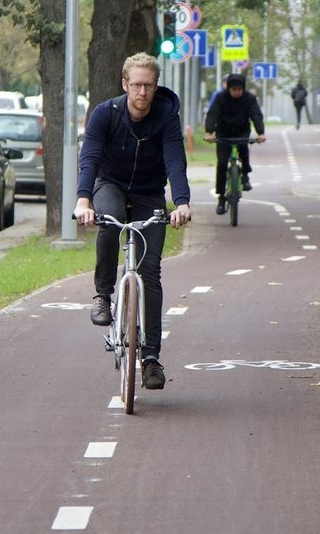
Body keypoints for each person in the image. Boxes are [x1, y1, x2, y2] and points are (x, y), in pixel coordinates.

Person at [73, 53, 193, 391]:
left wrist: (181, 203)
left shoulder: (167, 117)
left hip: (148, 193)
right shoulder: (105, 114)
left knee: (150, 271)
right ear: (125, 84)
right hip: (110, 184)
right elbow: (90, 159)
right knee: (109, 224)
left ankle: (151, 358)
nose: (142, 92)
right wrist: (84, 201)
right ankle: (102, 294)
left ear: (156, 87)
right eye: (136, 85)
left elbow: (174, 161)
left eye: (149, 86)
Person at [204, 73, 266, 214]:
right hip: (223, 133)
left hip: (241, 131)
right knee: (221, 163)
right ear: (229, 88)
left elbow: (256, 115)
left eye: (239, 89)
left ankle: (245, 177)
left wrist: (260, 133)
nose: (237, 92)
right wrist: (209, 132)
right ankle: (221, 198)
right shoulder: (221, 98)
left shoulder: (249, 99)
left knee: (244, 151)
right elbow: (213, 114)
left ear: (243, 88)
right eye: (234, 89)